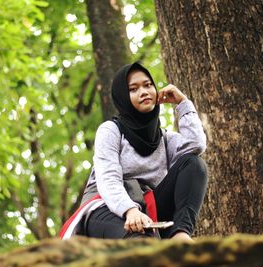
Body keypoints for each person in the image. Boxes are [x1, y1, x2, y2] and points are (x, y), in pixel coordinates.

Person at [59, 62, 207, 241]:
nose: (144, 92)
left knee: (193, 163)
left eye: (148, 85)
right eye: (133, 89)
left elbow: (196, 146)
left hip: (148, 206)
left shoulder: (164, 138)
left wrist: (183, 103)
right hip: (106, 206)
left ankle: (181, 234)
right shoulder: (111, 130)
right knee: (142, 244)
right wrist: (129, 210)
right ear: (123, 97)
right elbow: (108, 177)